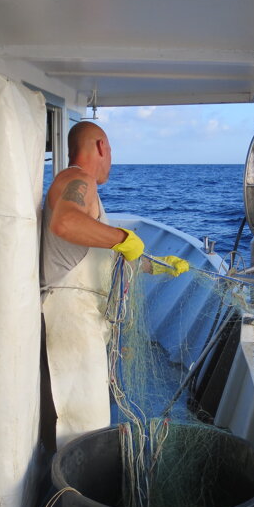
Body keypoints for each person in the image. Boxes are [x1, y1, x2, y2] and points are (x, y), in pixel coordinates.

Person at [39, 121, 188, 451]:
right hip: (70, 323)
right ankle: (71, 483)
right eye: (111, 152)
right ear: (101, 147)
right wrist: (122, 237)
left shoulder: (82, 187)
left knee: (87, 423)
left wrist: (155, 265)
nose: (111, 161)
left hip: (83, 323)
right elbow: (65, 221)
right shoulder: (78, 180)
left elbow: (100, 256)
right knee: (81, 429)